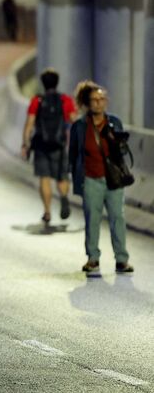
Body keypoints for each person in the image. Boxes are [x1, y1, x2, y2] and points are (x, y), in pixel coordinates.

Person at [69, 81, 133, 275]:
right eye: (94, 100)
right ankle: (93, 258)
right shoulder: (79, 126)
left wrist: (115, 140)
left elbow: (122, 151)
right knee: (92, 219)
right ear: (87, 103)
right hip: (90, 179)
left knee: (118, 218)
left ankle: (122, 259)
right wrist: (74, 176)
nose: (99, 103)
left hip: (113, 179)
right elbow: (73, 154)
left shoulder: (114, 122)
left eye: (102, 99)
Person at [20, 69, 78, 224]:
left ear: (43, 83)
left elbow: (29, 124)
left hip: (41, 145)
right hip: (60, 144)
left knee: (44, 178)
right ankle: (64, 197)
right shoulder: (65, 100)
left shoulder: (37, 101)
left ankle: (47, 212)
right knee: (62, 176)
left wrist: (25, 143)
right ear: (57, 82)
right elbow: (74, 120)